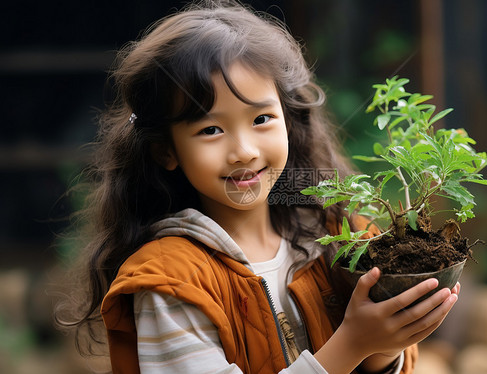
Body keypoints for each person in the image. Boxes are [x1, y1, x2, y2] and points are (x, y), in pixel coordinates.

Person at [56, 1, 460, 373]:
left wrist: (386, 343)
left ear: (288, 118)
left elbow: (391, 364)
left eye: (261, 119)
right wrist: (352, 344)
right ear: (166, 151)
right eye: (211, 129)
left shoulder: (338, 232)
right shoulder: (169, 282)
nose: (244, 151)